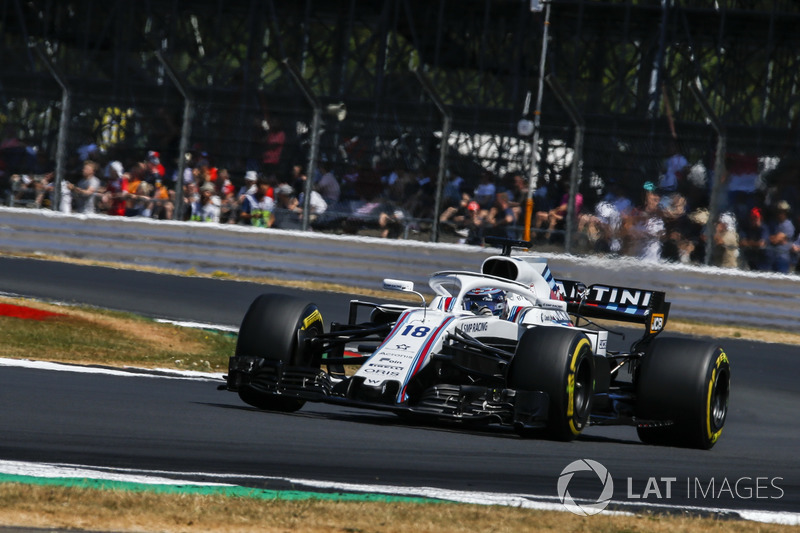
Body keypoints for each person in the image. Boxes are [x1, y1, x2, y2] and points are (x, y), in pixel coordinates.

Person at [765, 200, 795, 273]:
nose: (780, 214)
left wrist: (776, 238)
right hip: (771, 258)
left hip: (783, 259)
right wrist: (777, 238)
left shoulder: (789, 225)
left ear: (786, 212)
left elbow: (775, 240)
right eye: (778, 211)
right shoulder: (773, 223)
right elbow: (767, 238)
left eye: (782, 211)